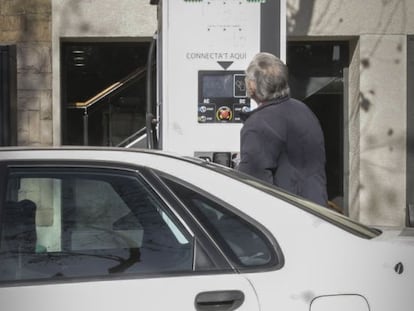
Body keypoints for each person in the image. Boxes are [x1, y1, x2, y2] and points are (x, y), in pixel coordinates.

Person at [238, 52, 328, 206]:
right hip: (316, 210)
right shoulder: (302, 109)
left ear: (253, 85)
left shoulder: (258, 124)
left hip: (288, 217)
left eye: (247, 78)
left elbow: (255, 187)